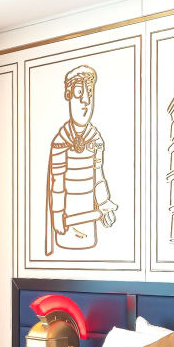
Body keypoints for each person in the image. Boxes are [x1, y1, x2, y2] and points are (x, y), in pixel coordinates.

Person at [45, 65, 117, 252]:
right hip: (67, 224)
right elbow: (57, 183)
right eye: (79, 93)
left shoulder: (96, 140)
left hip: (88, 221)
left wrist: (104, 206)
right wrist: (57, 215)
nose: (86, 100)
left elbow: (98, 177)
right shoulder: (60, 142)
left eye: (89, 93)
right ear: (69, 96)